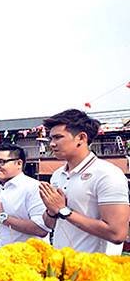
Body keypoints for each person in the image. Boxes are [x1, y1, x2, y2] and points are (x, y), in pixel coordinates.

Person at [39, 109, 129, 254]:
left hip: (94, 269)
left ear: (81, 138)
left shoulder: (107, 174)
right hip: (61, 265)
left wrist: (63, 210)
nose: (52, 144)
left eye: (58, 137)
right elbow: (49, 224)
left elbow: (117, 234)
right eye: (51, 139)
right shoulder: (57, 175)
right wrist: (51, 210)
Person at [0, 144, 49, 252]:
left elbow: (41, 229)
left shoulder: (33, 188)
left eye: (2, 162)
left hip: (27, 258)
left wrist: (2, 217)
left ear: (19, 163)